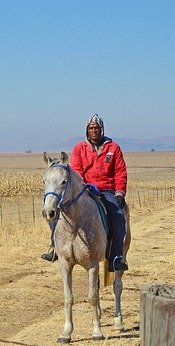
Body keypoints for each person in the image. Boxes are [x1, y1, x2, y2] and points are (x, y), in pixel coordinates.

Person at [42, 113, 129, 272]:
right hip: (85, 190)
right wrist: (84, 187)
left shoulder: (113, 148)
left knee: (117, 215)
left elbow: (120, 171)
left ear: (101, 130)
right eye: (91, 128)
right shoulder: (79, 149)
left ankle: (116, 256)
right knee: (58, 213)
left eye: (96, 128)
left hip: (107, 189)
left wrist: (119, 192)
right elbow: (76, 171)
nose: (94, 130)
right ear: (87, 130)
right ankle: (55, 248)